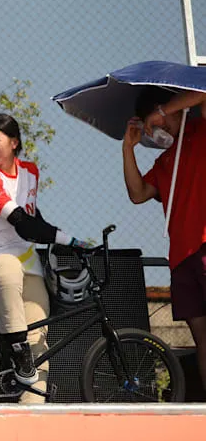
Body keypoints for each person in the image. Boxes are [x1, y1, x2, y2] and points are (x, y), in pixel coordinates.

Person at [0, 113, 87, 404]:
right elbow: (23, 223)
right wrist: (67, 238)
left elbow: (34, 216)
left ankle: (32, 416)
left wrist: (71, 242)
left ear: (14, 143)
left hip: (29, 267)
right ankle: (18, 349)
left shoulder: (31, 172)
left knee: (40, 346)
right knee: (7, 264)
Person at [123, 88, 206, 393]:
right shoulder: (165, 160)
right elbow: (137, 193)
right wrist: (128, 149)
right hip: (181, 257)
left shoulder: (201, 128)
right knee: (201, 338)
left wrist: (162, 109)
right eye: (151, 128)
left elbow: (204, 91)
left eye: (157, 122)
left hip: (204, 244)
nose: (158, 130)